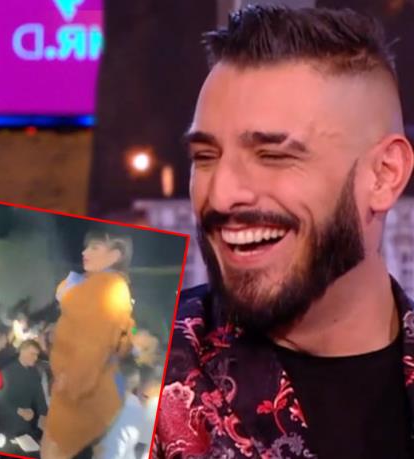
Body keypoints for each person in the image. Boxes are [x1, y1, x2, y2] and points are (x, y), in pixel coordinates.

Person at [155, 6, 414, 459]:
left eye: (273, 156)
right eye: (205, 157)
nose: (221, 195)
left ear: (383, 175)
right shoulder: (117, 361)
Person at [42, 231, 135, 459]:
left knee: (54, 450)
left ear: (115, 255)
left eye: (94, 247)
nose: (84, 252)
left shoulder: (108, 289)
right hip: (79, 391)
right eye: (86, 247)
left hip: (83, 396)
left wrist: (70, 385)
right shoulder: (95, 285)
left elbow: (94, 346)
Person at [0, 339, 48, 457]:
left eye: (37, 355)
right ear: (22, 351)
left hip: (27, 424)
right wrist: (19, 411)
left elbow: (39, 395)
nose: (35, 358)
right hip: (8, 424)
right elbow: (0, 400)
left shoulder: (34, 372)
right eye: (32, 354)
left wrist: (44, 414)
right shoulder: (7, 372)